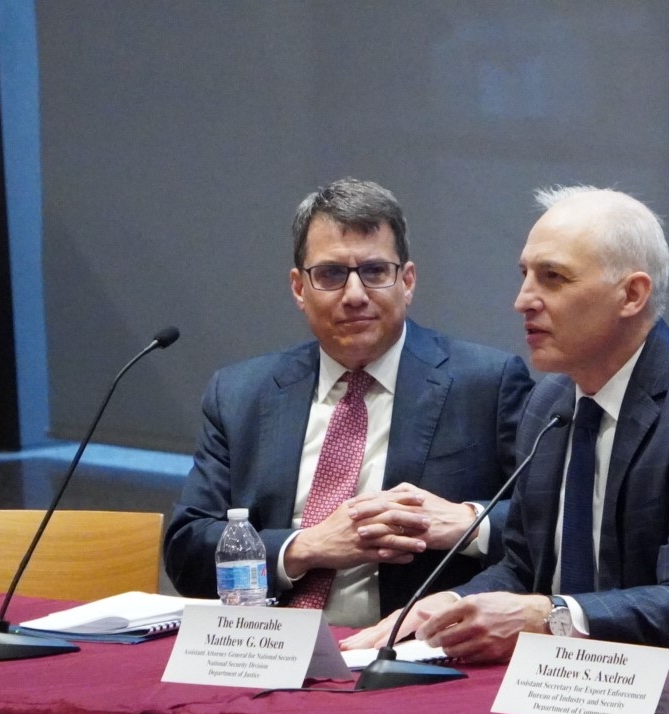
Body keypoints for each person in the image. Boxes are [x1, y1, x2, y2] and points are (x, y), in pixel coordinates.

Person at [344, 185, 669, 662]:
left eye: (554, 278)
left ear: (632, 294)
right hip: (568, 683)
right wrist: (453, 603)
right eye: (525, 275)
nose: (523, 300)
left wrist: (548, 617)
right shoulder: (551, 402)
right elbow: (524, 567)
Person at [164, 178, 533, 625]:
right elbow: (188, 549)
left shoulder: (486, 384)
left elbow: (547, 525)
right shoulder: (241, 393)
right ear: (300, 288)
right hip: (264, 649)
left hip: (411, 653)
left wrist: (468, 521)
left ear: (407, 281)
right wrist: (307, 547)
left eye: (375, 272)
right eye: (332, 274)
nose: (355, 295)